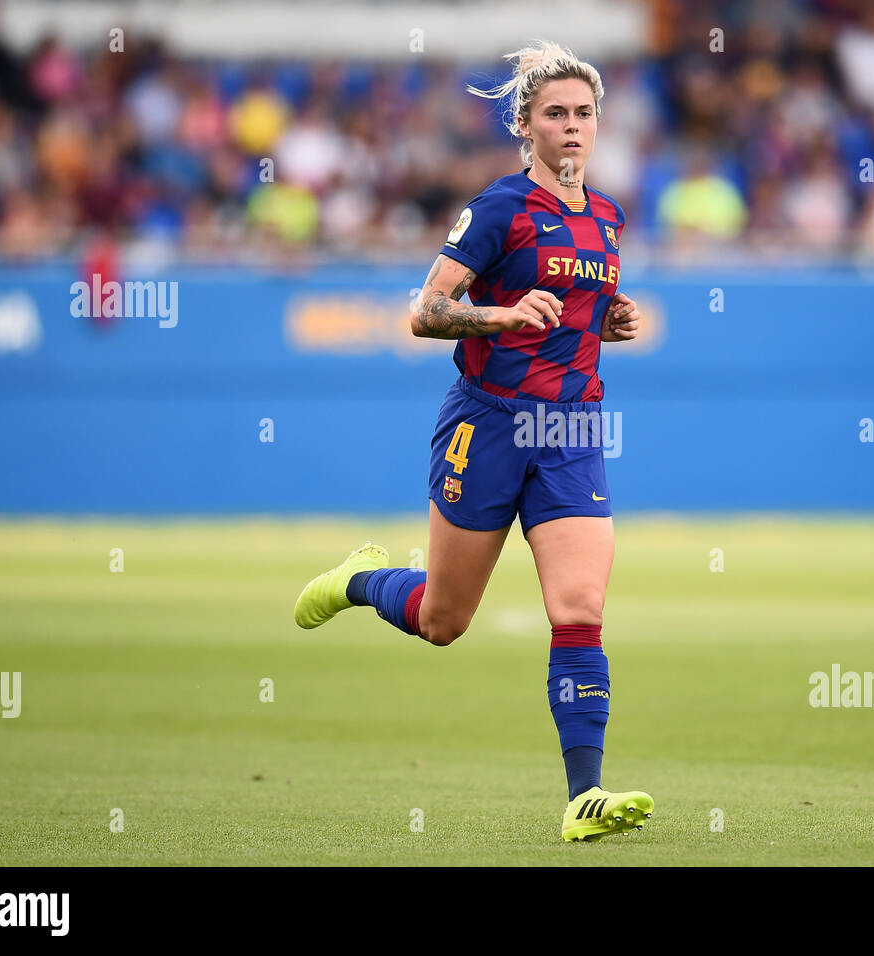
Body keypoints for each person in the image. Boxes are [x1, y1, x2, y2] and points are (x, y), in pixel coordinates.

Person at [293, 40, 652, 842]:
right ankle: (360, 581)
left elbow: (578, 310)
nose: (571, 127)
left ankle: (583, 799)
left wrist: (610, 322)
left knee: (580, 606)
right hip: (485, 426)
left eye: (583, 114)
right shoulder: (499, 209)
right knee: (442, 621)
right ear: (525, 126)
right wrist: (500, 314)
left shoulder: (607, 218)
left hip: (569, 431)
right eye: (554, 114)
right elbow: (425, 312)